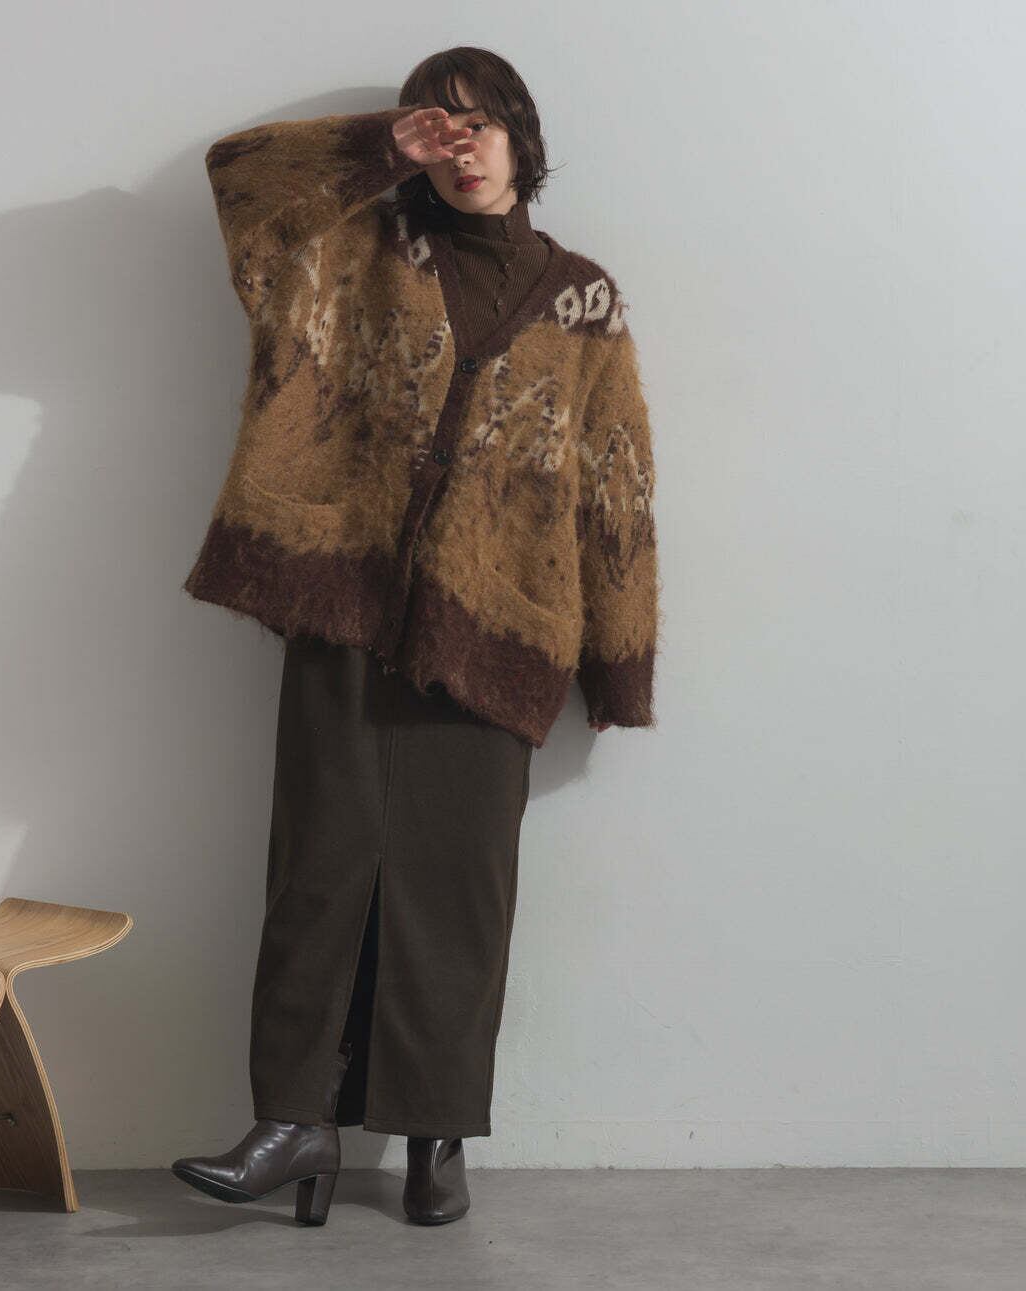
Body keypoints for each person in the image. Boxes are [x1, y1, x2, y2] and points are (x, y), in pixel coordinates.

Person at [172, 46, 658, 1227]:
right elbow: (239, 183)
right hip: (345, 606)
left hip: (495, 630)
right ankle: (294, 1122)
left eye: (480, 124)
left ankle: (439, 1135)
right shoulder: (353, 250)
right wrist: (380, 147)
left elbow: (618, 484)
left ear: (523, 136)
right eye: (439, 127)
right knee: (319, 867)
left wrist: (620, 663)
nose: (462, 146)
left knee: (460, 891)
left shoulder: (584, 300)